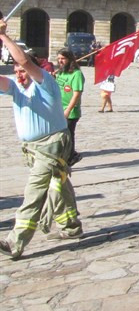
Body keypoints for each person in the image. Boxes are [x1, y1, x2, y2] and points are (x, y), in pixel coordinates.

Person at [0, 20, 83, 259]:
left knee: (34, 189)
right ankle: (71, 227)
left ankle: (16, 242)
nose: (19, 73)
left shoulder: (46, 83)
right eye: (15, 70)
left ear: (35, 70)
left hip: (52, 143)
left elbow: (25, 60)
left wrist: (3, 36)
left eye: (23, 71)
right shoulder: (16, 87)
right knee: (59, 187)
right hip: (33, 149)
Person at [55, 49, 85, 166]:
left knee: (68, 135)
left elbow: (77, 94)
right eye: (58, 59)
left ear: (70, 59)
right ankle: (67, 156)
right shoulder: (61, 72)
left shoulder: (76, 74)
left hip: (70, 111)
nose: (60, 61)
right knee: (60, 135)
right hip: (58, 109)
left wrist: (68, 110)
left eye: (63, 58)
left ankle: (71, 156)